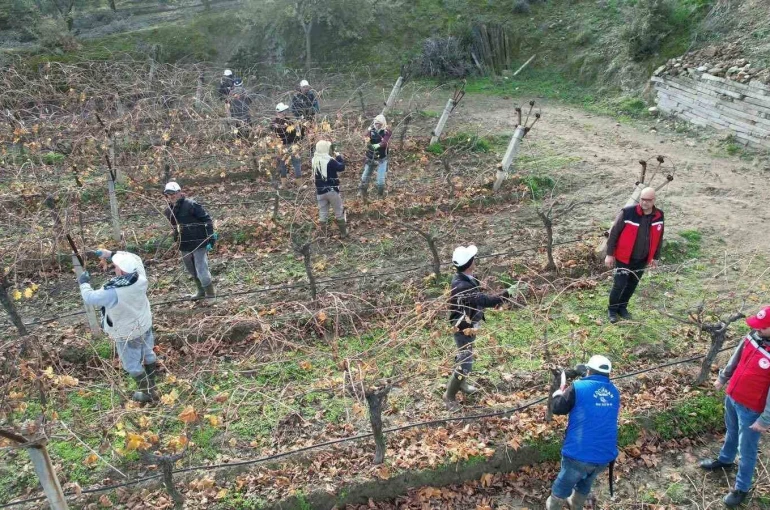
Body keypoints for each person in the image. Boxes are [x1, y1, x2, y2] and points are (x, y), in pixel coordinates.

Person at [699, 306, 770, 508]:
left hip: (752, 409)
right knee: (730, 432)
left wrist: (765, 419)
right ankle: (725, 459)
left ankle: (742, 487)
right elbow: (736, 358)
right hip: (732, 397)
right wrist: (723, 378)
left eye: (762, 327)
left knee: (746, 449)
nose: (757, 330)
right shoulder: (751, 337)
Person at [77, 250, 157, 403]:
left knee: (131, 364)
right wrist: (110, 253)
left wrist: (84, 283)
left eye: (116, 266)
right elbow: (136, 258)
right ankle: (152, 384)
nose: (114, 268)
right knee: (148, 353)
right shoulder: (140, 277)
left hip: (127, 333)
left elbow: (90, 297)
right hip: (144, 325)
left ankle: (148, 393)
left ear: (121, 270)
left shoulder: (112, 292)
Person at [547, 355, 620, 510]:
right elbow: (595, 395)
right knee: (586, 481)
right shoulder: (615, 392)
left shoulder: (578, 387)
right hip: (604, 456)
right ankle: (576, 505)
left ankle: (553, 506)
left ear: (589, 371)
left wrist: (557, 393)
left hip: (579, 455)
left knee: (562, 486)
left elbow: (558, 408)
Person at [445, 245, 511, 411]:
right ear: (469, 263)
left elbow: (478, 300)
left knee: (465, 356)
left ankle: (462, 384)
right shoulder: (462, 286)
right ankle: (449, 396)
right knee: (466, 362)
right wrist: (507, 293)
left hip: (469, 325)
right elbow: (485, 300)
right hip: (463, 327)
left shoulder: (465, 278)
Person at [604, 187, 664, 323]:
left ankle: (622, 307)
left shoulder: (659, 216)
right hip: (624, 258)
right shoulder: (628, 213)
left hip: (642, 259)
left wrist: (655, 256)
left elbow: (659, 237)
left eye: (648, 200)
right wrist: (609, 254)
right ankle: (612, 310)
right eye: (642, 199)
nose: (644, 202)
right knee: (619, 284)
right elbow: (614, 233)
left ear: (654, 200)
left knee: (632, 284)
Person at [163, 182, 217, 299]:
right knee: (191, 269)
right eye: (168, 194)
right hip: (184, 243)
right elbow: (174, 227)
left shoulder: (191, 205)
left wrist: (210, 236)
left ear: (179, 192)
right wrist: (176, 238)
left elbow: (207, 219)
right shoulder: (169, 212)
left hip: (199, 241)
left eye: (173, 193)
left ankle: (211, 295)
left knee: (201, 267)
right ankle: (200, 292)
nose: (171, 196)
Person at [312, 140, 346, 238]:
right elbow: (341, 167)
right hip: (332, 191)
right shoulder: (330, 160)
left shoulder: (314, 160)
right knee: (339, 211)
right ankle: (343, 233)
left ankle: (323, 235)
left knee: (323, 214)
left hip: (320, 192)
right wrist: (339, 156)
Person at [358, 114, 392, 199]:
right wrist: (367, 139)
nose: (377, 125)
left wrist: (377, 145)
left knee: (380, 181)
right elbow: (365, 137)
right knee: (364, 178)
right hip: (370, 157)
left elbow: (385, 142)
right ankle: (362, 192)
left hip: (382, 158)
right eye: (376, 123)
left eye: (379, 123)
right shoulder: (371, 130)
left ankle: (380, 195)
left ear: (383, 123)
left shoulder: (386, 131)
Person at [272, 102, 303, 188]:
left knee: (283, 165)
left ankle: (283, 185)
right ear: (282, 112)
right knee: (296, 163)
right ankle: (299, 185)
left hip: (281, 147)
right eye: (285, 111)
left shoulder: (274, 122)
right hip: (289, 145)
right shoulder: (288, 121)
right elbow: (297, 133)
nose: (286, 112)